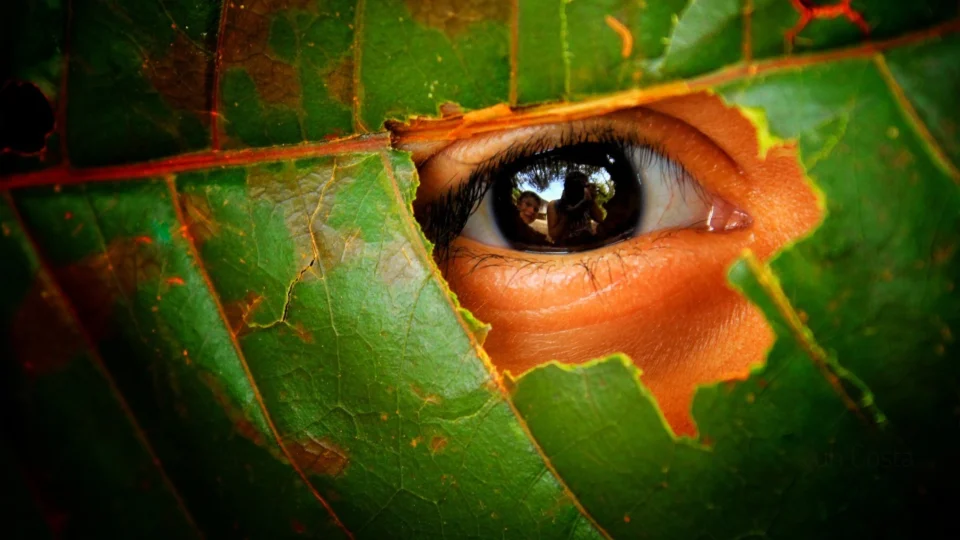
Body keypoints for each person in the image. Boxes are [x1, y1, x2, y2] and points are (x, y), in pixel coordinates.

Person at [546, 172, 605, 246]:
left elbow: (600, 218)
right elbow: (553, 235)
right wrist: (566, 216)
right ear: (566, 188)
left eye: (580, 187)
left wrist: (591, 200)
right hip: (565, 247)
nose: (576, 192)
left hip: (588, 245)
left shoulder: (587, 201)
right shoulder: (554, 204)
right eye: (573, 187)